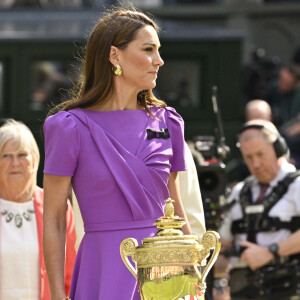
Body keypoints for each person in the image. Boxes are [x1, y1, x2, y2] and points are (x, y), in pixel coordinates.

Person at [43, 7, 192, 300]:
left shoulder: (169, 122)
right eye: (148, 50)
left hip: (165, 274)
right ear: (115, 56)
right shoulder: (68, 127)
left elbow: (175, 208)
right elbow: (55, 220)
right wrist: (58, 295)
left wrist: (193, 276)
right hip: (102, 270)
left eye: (158, 50)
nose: (159, 61)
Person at [214, 119, 300, 300]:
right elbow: (224, 245)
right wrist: (218, 280)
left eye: (261, 155)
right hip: (242, 290)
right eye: (249, 158)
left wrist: (270, 252)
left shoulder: (297, 185)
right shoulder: (239, 192)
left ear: (279, 150)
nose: (256, 164)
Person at [0, 119, 76, 300]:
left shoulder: (57, 207)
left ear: (35, 160)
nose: (15, 163)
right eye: (6, 156)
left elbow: (71, 273)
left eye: (22, 155)